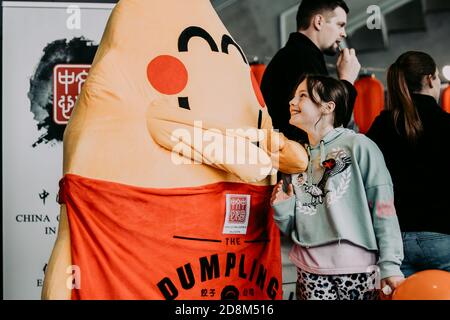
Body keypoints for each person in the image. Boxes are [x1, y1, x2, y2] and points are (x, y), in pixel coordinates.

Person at [270, 74, 404, 300]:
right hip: (309, 270)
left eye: (302, 96)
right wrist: (283, 208)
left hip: (358, 271)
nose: (292, 102)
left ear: (328, 107)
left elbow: (384, 207)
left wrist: (390, 265)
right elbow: (296, 223)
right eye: (294, 97)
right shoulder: (295, 156)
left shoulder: (359, 145)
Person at [366, 51, 450, 277]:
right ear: (431, 78)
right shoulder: (446, 124)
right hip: (443, 237)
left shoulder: (382, 125)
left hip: (394, 240)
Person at [261, 0, 360, 143]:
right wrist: (347, 80)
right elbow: (327, 126)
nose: (343, 33)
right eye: (340, 25)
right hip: (293, 160)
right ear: (319, 21)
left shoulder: (297, 55)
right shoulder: (302, 60)